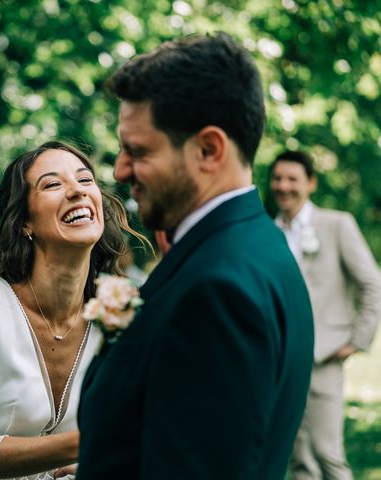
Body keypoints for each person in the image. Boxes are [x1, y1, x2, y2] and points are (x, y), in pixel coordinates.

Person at [77, 33, 315, 479]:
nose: (119, 169)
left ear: (209, 149)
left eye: (139, 150)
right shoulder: (259, 245)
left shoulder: (217, 290)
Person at [0, 140, 147, 480]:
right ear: (23, 223)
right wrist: (87, 443)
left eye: (85, 179)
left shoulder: (118, 312)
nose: (76, 191)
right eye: (52, 184)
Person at [269, 150, 381, 480]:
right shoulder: (268, 233)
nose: (283, 186)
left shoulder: (336, 225)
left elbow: (372, 283)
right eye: (277, 178)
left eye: (292, 179)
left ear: (311, 183)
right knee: (299, 459)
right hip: (280, 360)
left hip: (324, 356)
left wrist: (356, 340)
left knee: (327, 454)